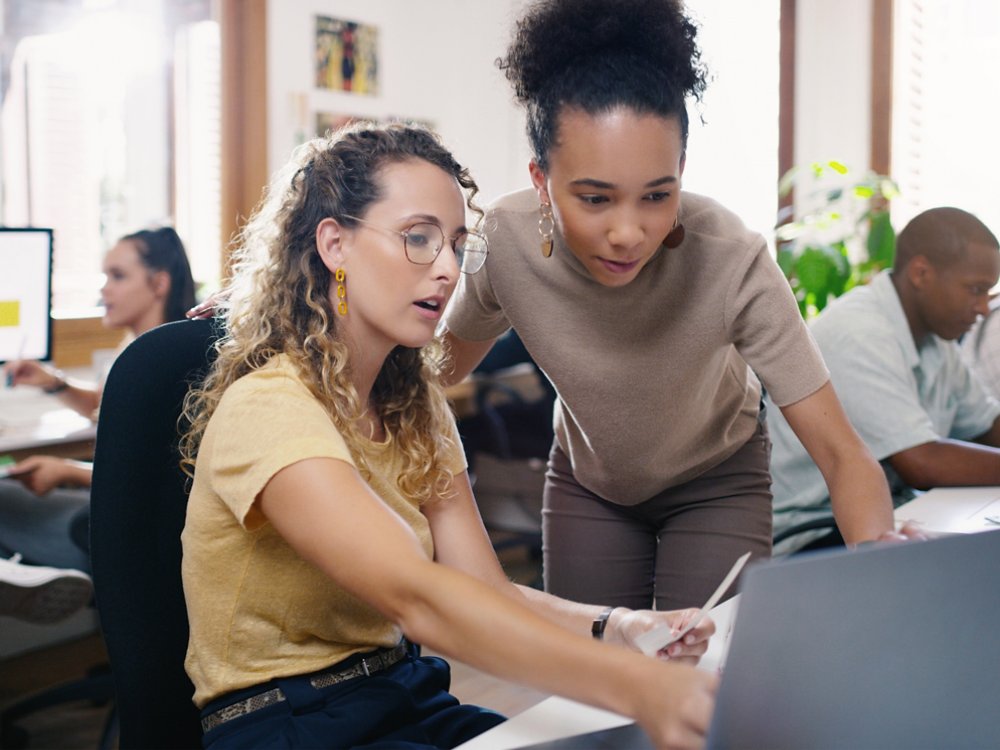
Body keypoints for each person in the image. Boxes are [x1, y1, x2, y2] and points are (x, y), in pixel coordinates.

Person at [178, 121, 717, 750]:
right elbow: (420, 598)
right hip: (289, 722)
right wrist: (633, 686)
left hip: (404, 695)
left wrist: (613, 627)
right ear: (334, 245)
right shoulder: (268, 406)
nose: (447, 269)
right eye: (418, 239)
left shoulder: (414, 404)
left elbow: (478, 590)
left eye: (457, 244)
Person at [438, 0, 917, 612]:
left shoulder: (732, 259)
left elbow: (841, 452)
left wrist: (880, 557)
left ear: (682, 171)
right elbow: (439, 372)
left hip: (718, 479)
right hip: (591, 484)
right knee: (596, 685)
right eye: (595, 199)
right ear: (541, 180)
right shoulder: (504, 242)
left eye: (657, 195)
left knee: (705, 670)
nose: (629, 232)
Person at [769, 207, 1000, 552]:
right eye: (975, 289)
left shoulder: (936, 336)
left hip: (890, 513)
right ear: (921, 273)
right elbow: (921, 463)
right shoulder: (861, 331)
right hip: (814, 531)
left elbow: (986, 426)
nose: (984, 308)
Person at [0, 226, 196, 623]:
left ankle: (15, 574)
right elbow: (112, 409)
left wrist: (69, 471)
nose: (104, 290)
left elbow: (170, 477)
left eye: (118, 276)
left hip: (144, 525)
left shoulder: (163, 362)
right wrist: (53, 383)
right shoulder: (142, 350)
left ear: (158, 283)